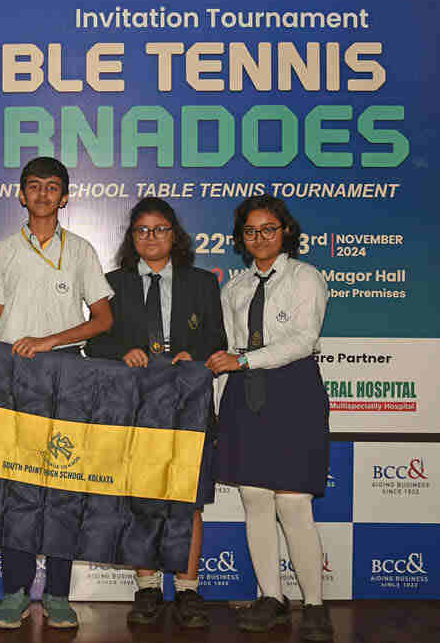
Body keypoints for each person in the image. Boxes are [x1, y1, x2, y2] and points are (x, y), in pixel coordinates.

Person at [0, 157, 114, 631]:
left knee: (62, 488)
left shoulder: (80, 250)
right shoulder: (1, 252)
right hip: (16, 376)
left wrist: (50, 340)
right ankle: (15, 591)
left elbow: (103, 319)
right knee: (17, 488)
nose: (41, 194)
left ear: (64, 197)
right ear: (21, 195)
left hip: (66, 373)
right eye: (33, 186)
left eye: (51, 187)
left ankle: (58, 592)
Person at [86, 198, 226, 631]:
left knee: (187, 500)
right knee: (140, 498)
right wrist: (120, 351)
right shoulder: (113, 283)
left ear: (175, 235)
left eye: (159, 229)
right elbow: (95, 344)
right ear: (131, 238)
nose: (151, 237)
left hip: (187, 402)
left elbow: (218, 339)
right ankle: (146, 587)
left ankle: (187, 589)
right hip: (133, 405)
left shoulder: (202, 282)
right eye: (142, 230)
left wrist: (194, 353)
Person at [207, 195, 333, 643]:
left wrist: (243, 362)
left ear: (285, 233)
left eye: (269, 229)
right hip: (245, 394)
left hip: (293, 390)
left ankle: (315, 605)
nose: (260, 238)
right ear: (242, 239)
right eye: (250, 231)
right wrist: (220, 414)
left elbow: (303, 339)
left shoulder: (306, 278)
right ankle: (270, 598)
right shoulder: (234, 289)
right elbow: (225, 355)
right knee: (255, 499)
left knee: (294, 503)